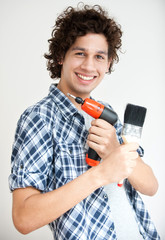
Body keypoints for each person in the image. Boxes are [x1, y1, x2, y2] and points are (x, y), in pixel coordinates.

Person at [9, 3, 160, 239]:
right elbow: (23, 218)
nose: (89, 66)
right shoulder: (39, 118)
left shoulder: (108, 113)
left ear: (108, 63)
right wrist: (100, 174)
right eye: (80, 53)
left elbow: (150, 186)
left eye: (99, 56)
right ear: (61, 56)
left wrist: (115, 151)